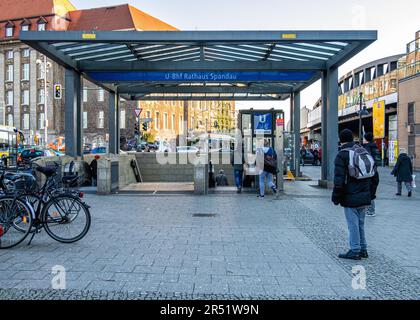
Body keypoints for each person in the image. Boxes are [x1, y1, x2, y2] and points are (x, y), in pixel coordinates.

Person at [332, 129, 379, 260]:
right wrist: (371, 193)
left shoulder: (342, 155)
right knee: (360, 223)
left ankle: (355, 250)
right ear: (352, 138)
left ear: (341, 140)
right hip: (364, 194)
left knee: (352, 224)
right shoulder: (363, 151)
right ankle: (363, 249)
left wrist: (336, 197)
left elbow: (339, 179)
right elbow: (375, 176)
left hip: (350, 195)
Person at [363, 132, 381, 217]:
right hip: (375, 172)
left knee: (368, 191)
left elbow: (366, 161)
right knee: (372, 191)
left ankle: (370, 210)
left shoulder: (367, 148)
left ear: (366, 139)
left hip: (368, 173)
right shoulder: (375, 146)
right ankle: (370, 209)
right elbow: (378, 161)